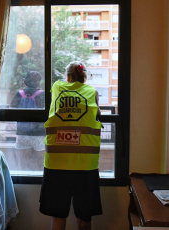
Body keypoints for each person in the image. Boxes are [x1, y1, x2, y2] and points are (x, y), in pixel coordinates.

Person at [39, 61, 102, 230]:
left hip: (56, 164)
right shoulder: (92, 93)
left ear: (67, 76)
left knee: (58, 216)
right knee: (84, 217)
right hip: (85, 165)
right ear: (85, 77)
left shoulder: (57, 88)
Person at [10, 71, 45, 168]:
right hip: (39, 135)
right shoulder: (42, 94)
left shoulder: (19, 94)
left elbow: (11, 112)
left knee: (22, 165)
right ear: (38, 82)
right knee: (42, 164)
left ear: (25, 81)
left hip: (22, 134)